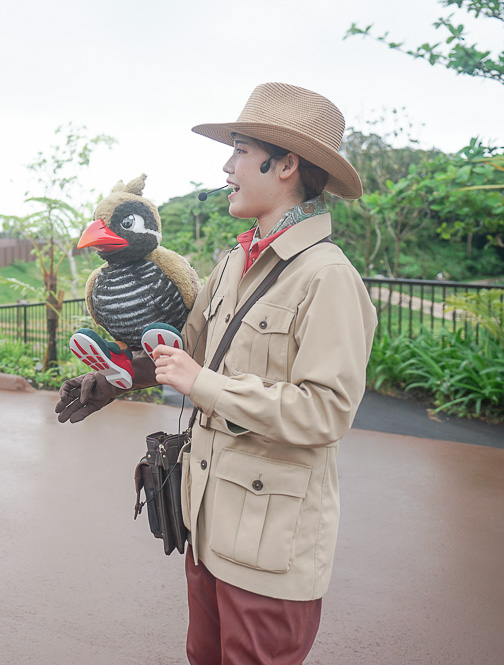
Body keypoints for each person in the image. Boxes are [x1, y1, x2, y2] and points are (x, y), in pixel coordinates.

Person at [56, 83, 377, 664]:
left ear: (285, 165)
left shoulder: (327, 278)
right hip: (206, 524)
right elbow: (191, 352)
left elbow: (325, 411)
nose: (225, 166)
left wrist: (202, 384)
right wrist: (117, 377)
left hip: (270, 548)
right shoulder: (235, 260)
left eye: (238, 151)